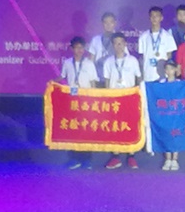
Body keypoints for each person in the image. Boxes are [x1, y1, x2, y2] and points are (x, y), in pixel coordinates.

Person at [58, 36, 99, 170]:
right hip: (72, 101)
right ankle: (74, 158)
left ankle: (87, 159)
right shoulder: (67, 63)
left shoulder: (89, 63)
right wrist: (52, 83)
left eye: (81, 48)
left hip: (86, 101)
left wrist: (94, 99)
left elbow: (93, 82)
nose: (79, 50)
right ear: (72, 49)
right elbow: (62, 77)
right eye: (76, 48)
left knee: (86, 129)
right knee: (73, 129)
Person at [102, 32, 142, 170]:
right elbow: (107, 81)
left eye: (121, 43)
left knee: (130, 126)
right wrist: (107, 97)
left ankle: (131, 156)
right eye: (115, 43)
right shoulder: (108, 62)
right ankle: (116, 156)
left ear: (125, 44)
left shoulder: (133, 60)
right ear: (112, 45)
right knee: (115, 126)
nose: (118, 46)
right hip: (114, 98)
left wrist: (138, 95)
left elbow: (138, 78)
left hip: (129, 97)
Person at [138, 6, 177, 83]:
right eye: (152, 16)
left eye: (157, 16)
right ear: (149, 18)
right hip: (148, 75)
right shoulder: (143, 37)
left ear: (161, 18)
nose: (154, 18)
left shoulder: (168, 36)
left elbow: (169, 56)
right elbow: (142, 57)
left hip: (163, 76)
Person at [159, 61, 181, 171]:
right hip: (165, 113)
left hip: (176, 114)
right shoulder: (161, 83)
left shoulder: (180, 83)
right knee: (166, 135)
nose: (169, 71)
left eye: (171, 68)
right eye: (167, 69)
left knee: (176, 135)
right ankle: (168, 158)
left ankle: (175, 159)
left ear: (175, 70)